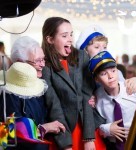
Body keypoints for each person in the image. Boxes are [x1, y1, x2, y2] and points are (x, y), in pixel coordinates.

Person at [41, 17, 106, 150]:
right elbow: (54, 106)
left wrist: (89, 137)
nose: (70, 39)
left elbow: (86, 95)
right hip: (64, 129)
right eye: (64, 36)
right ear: (50, 39)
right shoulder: (45, 66)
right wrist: (65, 144)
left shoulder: (82, 56)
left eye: (71, 34)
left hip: (86, 125)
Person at [0, 36, 66, 150]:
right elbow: (6, 138)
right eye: (37, 61)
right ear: (20, 63)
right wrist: (44, 128)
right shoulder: (7, 95)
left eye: (43, 59)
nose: (42, 64)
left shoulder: (40, 85)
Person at [88, 51, 136, 150]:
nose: (110, 76)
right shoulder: (96, 99)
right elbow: (95, 125)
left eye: (113, 70)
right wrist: (107, 129)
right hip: (113, 146)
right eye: (104, 74)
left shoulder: (134, 89)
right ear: (96, 79)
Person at [76, 24, 136, 94]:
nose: (102, 51)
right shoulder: (78, 75)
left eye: (104, 47)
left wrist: (135, 81)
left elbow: (125, 89)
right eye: (96, 47)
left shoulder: (116, 72)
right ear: (85, 50)